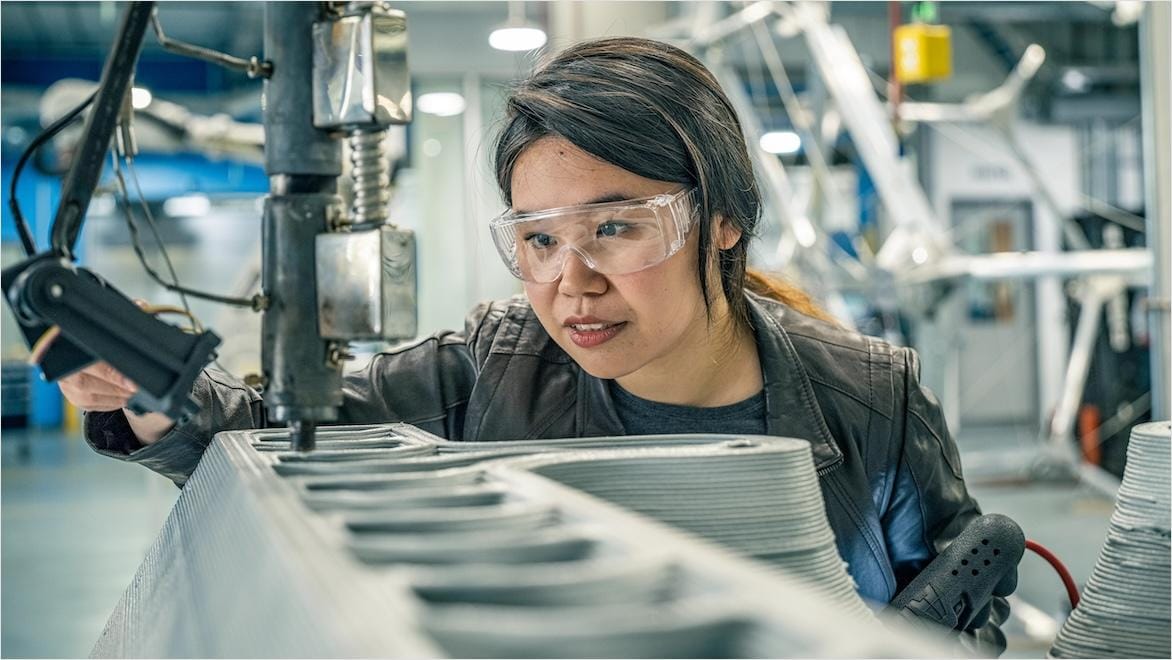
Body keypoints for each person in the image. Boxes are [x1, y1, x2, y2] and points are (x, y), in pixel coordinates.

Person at [66, 37, 1010, 651]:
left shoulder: (870, 402)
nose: (570, 283)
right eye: (539, 239)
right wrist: (153, 392)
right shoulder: (490, 368)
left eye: (615, 228)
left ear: (723, 219)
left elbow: (963, 606)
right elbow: (280, 429)